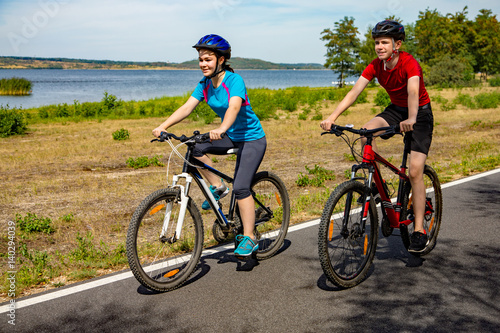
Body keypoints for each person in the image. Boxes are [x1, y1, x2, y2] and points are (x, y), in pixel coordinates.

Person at [320, 20, 434, 253]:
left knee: (414, 171)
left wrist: (411, 119)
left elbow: (413, 92)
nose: (379, 46)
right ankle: (377, 188)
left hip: (419, 114)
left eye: (384, 42)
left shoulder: (409, 64)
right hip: (395, 110)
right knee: (365, 133)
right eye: (376, 43)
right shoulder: (375, 66)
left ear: (397, 44)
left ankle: (420, 229)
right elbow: (354, 92)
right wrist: (331, 117)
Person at [152, 34, 266, 258]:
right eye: (201, 59)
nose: (203, 64)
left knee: (242, 187)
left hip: (251, 138)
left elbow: (234, 107)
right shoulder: (204, 84)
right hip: (231, 135)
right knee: (193, 148)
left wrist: (222, 128)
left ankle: (250, 236)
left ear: (221, 60)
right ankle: (218, 186)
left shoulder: (234, 81)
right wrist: (162, 126)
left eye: (208, 59)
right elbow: (187, 107)